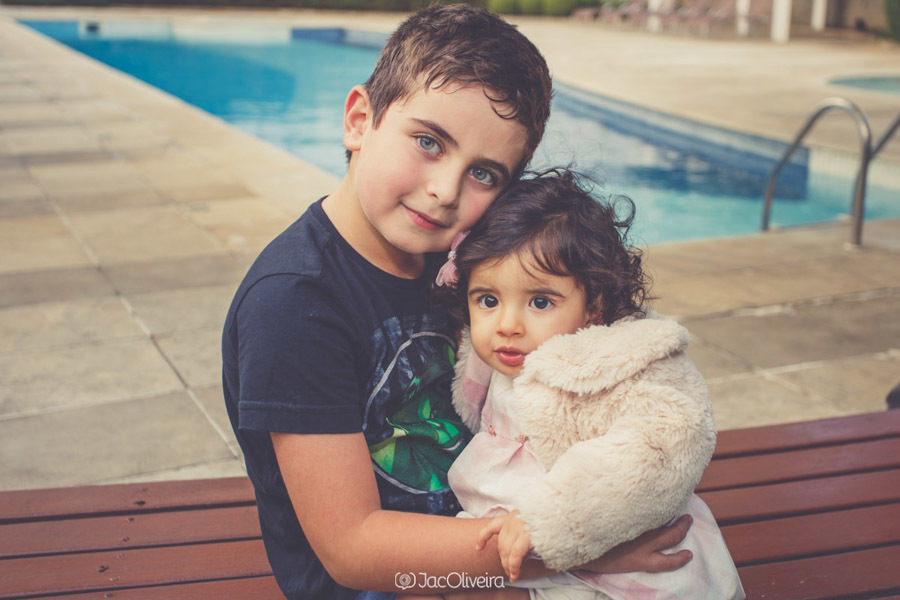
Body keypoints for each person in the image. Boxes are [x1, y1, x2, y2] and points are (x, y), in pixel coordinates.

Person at [222, 5, 693, 599]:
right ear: (359, 120)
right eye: (428, 141)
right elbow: (351, 548)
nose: (445, 191)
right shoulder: (294, 303)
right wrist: (571, 548)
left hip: (495, 544)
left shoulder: (466, 264)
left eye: (486, 174)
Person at [415, 169, 744, 600]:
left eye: (540, 302)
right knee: (425, 587)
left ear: (594, 305)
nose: (508, 326)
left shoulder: (622, 362)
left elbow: (660, 447)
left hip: (611, 547)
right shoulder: (498, 354)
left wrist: (546, 518)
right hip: (525, 546)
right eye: (489, 300)